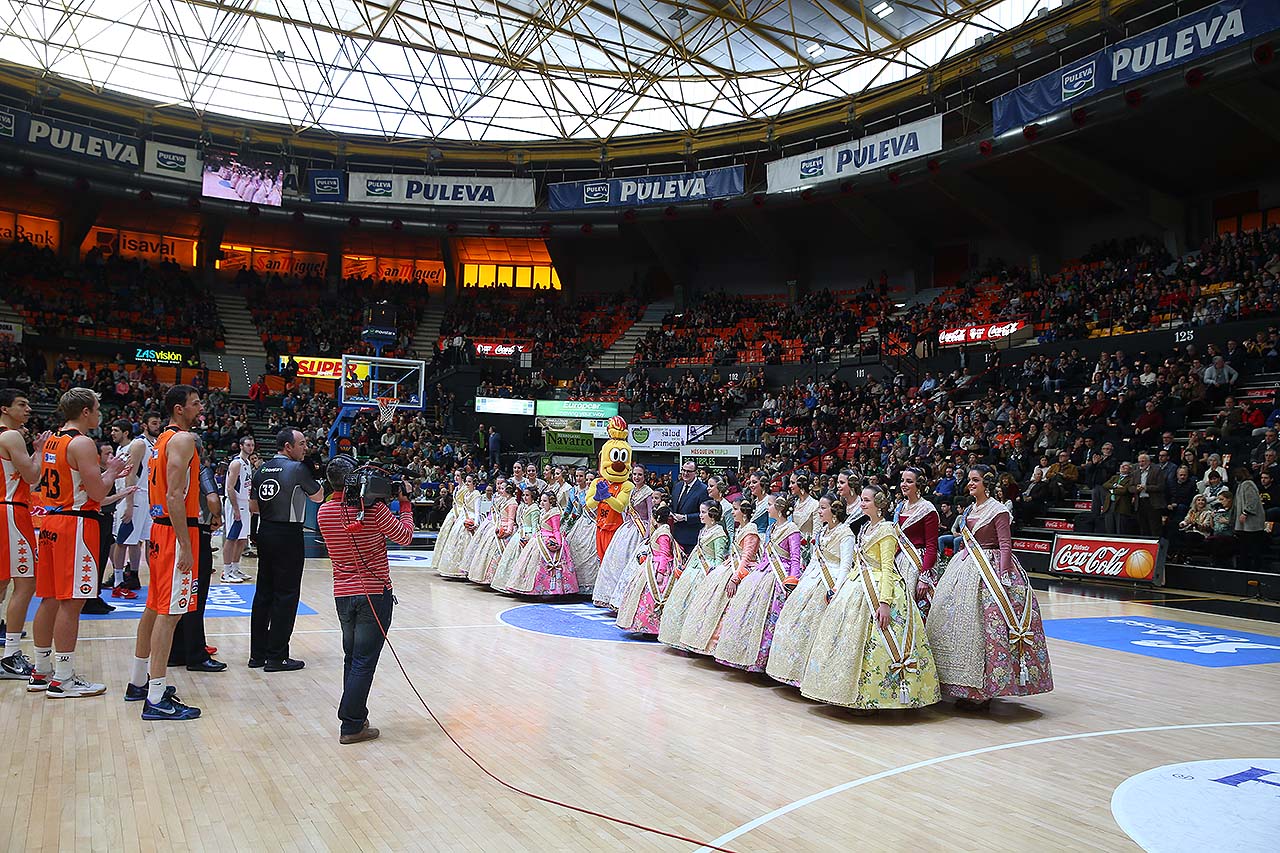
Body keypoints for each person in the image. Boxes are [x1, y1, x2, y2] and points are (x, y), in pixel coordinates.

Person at [801, 486, 940, 710]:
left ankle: (871, 698)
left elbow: (888, 568)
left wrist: (884, 603)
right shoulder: (865, 527)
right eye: (862, 500)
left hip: (878, 589)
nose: (862, 504)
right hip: (857, 585)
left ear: (879, 504)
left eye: (866, 500)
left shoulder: (886, 530)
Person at [926, 466, 1054, 711]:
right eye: (970, 480)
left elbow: (1006, 545)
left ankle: (985, 689)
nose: (970, 484)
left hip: (991, 571)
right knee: (959, 626)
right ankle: (959, 685)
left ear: (986, 483)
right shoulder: (971, 509)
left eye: (975, 480)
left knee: (988, 629)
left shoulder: (998, 510)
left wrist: (1004, 576)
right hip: (966, 567)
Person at [30, 389, 128, 697]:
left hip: (50, 523)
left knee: (48, 599)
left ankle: (41, 670)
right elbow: (97, 493)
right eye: (97, 408)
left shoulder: (52, 441)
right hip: (75, 524)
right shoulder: (83, 442)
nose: (99, 414)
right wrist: (111, 472)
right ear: (85, 411)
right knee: (72, 602)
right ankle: (63, 678)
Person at [316, 456, 415, 744]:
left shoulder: (324, 512)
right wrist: (405, 505)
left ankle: (356, 714)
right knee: (364, 662)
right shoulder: (374, 512)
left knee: (352, 658)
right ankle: (351, 724)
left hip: (343, 596)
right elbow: (405, 536)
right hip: (374, 594)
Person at [124, 385, 206, 720]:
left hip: (161, 530)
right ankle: (156, 698)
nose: (200, 407)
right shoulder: (183, 440)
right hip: (174, 531)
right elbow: (174, 495)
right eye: (195, 403)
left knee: (154, 608)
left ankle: (138, 681)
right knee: (170, 615)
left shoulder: (159, 441)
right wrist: (186, 545)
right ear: (178, 408)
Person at [248, 428, 324, 671]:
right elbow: (318, 497)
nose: (305, 447)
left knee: (263, 595)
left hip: (265, 531)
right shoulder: (298, 469)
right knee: (287, 595)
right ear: (288, 446)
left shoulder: (261, 469)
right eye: (301, 443)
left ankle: (257, 654)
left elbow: (253, 506)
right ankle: (277, 656)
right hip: (288, 534)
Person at [765, 494, 853, 687]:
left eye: (822, 508)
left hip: (831, 580)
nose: (819, 512)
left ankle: (811, 677)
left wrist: (836, 588)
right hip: (813, 578)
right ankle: (789, 671)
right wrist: (802, 581)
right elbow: (814, 560)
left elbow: (846, 564)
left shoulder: (846, 533)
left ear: (834, 511)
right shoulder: (822, 532)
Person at [714, 493, 803, 672]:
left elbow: (795, 558)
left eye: (769, 505)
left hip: (780, 576)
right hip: (763, 572)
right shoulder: (771, 529)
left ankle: (764, 660)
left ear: (778, 508)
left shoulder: (792, 529)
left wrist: (793, 579)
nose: (766, 508)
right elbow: (765, 556)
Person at [0, 388, 49, 680]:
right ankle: (11, 655)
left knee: (3, 582)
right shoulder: (11, 435)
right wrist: (40, 449)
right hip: (11, 511)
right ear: (5, 409)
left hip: (4, 508)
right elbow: (32, 476)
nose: (28, 409)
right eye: (22, 404)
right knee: (26, 583)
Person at [169, 434, 227, 674]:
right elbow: (213, 499)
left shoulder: (170, 467)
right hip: (195, 534)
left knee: (177, 596)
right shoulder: (200, 470)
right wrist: (217, 516)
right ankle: (196, 654)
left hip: (170, 532)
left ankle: (176, 650)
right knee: (195, 596)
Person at [678, 498, 760, 656]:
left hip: (740, 571)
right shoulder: (741, 529)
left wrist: (735, 578)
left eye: (735, 509)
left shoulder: (750, 531)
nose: (732, 512)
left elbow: (746, 558)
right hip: (729, 567)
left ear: (743, 513)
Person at [658, 501, 729, 650]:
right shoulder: (703, 530)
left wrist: (713, 576)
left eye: (703, 512)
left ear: (713, 514)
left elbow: (719, 558)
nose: (701, 515)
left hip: (706, 572)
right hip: (693, 570)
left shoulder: (719, 533)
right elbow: (697, 553)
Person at [108, 413, 159, 597]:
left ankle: (135, 577)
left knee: (142, 540)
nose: (157, 425)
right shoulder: (139, 444)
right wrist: (129, 503)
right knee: (123, 540)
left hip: (148, 498)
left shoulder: (154, 444)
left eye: (159, 422)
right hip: (134, 496)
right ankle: (118, 582)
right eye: (154, 423)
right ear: (144, 425)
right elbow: (130, 474)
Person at [592, 464, 654, 610]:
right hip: (628, 528)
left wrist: (647, 535)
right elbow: (627, 511)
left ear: (645, 476)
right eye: (635, 474)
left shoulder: (648, 492)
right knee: (615, 561)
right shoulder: (632, 490)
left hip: (640, 530)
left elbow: (651, 515)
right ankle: (609, 597)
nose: (637, 477)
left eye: (640, 475)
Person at [498, 490, 577, 596]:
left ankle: (551, 589)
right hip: (539, 538)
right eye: (541, 500)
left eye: (545, 501)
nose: (542, 503)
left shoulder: (554, 513)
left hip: (549, 540)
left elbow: (556, 530)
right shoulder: (544, 512)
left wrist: (558, 543)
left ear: (551, 502)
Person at [615, 505, 675, 634]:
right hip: (652, 564)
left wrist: (660, 572)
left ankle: (653, 627)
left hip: (658, 568)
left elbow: (665, 554)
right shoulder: (661, 531)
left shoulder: (663, 534)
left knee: (652, 597)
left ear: (655, 519)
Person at [222, 434, 256, 583]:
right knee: (232, 538)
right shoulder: (236, 463)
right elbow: (230, 487)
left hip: (244, 503)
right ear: (241, 446)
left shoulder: (247, 463)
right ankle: (226, 571)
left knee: (242, 539)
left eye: (252, 445)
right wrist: (235, 508)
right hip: (234, 503)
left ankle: (235, 569)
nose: (250, 447)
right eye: (248, 445)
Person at [433, 474, 478, 578]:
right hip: (455, 512)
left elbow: (466, 504)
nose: (456, 477)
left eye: (458, 475)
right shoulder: (456, 488)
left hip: (463, 513)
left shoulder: (466, 490)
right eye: (455, 475)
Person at [563, 468, 599, 593]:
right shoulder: (576, 492)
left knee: (592, 555)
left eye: (590, 479)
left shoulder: (599, 493)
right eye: (587, 479)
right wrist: (563, 524)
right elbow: (574, 510)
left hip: (595, 525)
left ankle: (592, 586)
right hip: (581, 525)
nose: (588, 482)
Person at [669, 461, 709, 556]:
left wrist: (685, 517)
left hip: (691, 538)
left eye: (689, 471)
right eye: (683, 470)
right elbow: (672, 506)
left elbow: (704, 514)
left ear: (696, 472)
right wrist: (670, 513)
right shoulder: (677, 486)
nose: (685, 473)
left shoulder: (703, 489)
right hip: (675, 536)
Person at [1233, 467, 1267, 572]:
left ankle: (1256, 567)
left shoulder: (1248, 484)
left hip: (1252, 522)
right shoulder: (1240, 485)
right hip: (1244, 524)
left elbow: (1252, 500)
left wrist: (1245, 512)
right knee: (1244, 545)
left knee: (1254, 545)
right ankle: (1245, 566)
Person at [1129, 452, 1166, 538]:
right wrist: (1136, 489)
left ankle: (1156, 547)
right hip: (1140, 502)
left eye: (1143, 461)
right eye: (1139, 461)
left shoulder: (1157, 470)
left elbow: (1161, 486)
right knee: (1143, 527)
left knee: (1155, 527)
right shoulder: (1135, 473)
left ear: (1149, 461)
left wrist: (1146, 488)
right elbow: (1130, 487)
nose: (1141, 463)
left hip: (1153, 502)